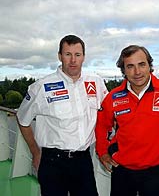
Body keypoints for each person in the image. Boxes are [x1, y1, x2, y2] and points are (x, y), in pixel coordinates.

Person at [95, 45, 159, 196]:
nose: (137, 72)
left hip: (153, 172)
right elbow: (102, 126)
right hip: (121, 170)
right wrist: (102, 152)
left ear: (150, 66)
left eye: (142, 64)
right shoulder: (114, 97)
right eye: (130, 66)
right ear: (123, 70)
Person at [16, 34, 108, 196]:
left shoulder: (95, 82)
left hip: (83, 161)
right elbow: (23, 119)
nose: (73, 60)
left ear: (83, 57)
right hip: (52, 163)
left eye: (77, 55)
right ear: (60, 56)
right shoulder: (41, 87)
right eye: (68, 54)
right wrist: (36, 152)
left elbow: (109, 114)